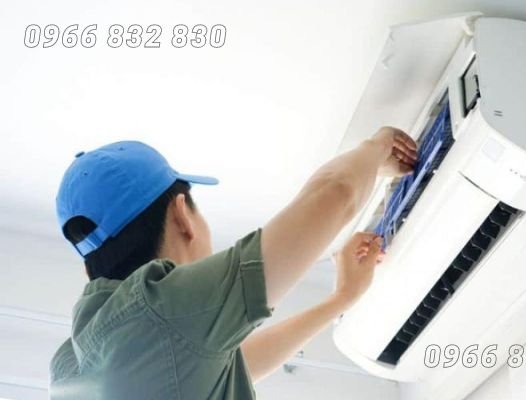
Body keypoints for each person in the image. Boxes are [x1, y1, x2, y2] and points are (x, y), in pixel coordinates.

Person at [49, 126, 418, 399]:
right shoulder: (163, 311)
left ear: (89, 266)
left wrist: (341, 299)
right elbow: (335, 195)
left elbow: (231, 361)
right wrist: (377, 149)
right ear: (182, 216)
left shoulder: (71, 368)